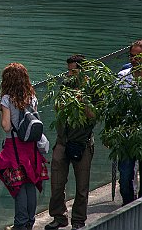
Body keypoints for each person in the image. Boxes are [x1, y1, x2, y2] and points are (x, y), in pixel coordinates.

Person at [0, 63, 49, 230]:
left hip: (15, 147)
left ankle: (19, 224)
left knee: (18, 187)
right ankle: (29, 223)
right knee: (31, 183)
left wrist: (5, 114)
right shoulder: (32, 97)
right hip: (31, 147)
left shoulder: (6, 99)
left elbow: (6, 126)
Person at [45, 54, 96, 230]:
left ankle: (78, 220)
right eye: (68, 71)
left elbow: (94, 116)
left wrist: (83, 101)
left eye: (73, 71)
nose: (69, 74)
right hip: (62, 141)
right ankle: (59, 216)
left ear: (83, 71)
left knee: (82, 186)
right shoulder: (64, 86)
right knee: (57, 183)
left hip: (82, 142)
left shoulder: (92, 88)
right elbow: (57, 109)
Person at [116, 39, 142, 206]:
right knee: (125, 179)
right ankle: (127, 209)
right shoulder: (122, 78)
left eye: (138, 57)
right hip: (126, 135)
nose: (133, 60)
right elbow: (114, 107)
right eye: (132, 56)